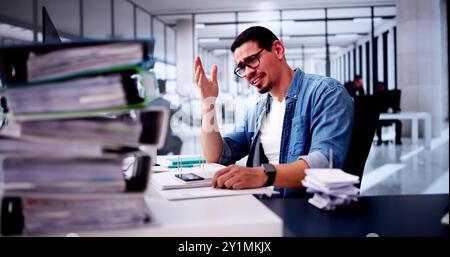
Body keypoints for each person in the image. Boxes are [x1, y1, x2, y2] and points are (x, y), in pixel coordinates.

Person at [193, 26, 354, 198]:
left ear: (278, 50)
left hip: (304, 211)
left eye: (252, 60)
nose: (247, 72)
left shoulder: (325, 92)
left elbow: (324, 164)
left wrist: (262, 174)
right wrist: (208, 102)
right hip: (262, 205)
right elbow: (216, 156)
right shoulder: (257, 111)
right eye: (242, 67)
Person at [151, 79, 183, 155]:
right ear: (164, 90)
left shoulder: (146, 105)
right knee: (178, 142)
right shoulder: (167, 104)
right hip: (166, 145)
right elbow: (181, 116)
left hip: (151, 145)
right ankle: (176, 163)